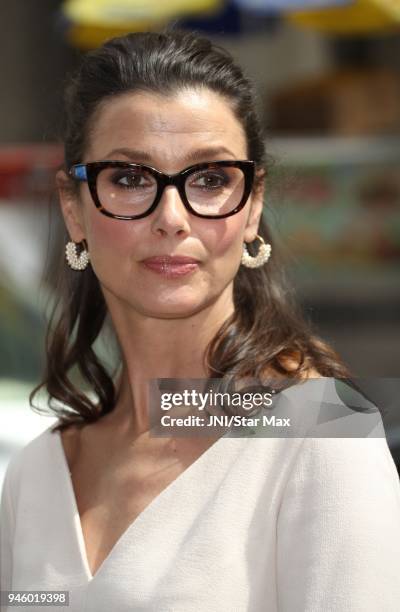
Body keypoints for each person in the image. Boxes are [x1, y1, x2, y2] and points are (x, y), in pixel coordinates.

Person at [1, 29, 399, 612]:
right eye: (130, 178)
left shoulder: (323, 435)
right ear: (73, 208)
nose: (172, 217)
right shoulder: (37, 471)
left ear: (254, 203)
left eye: (210, 180)